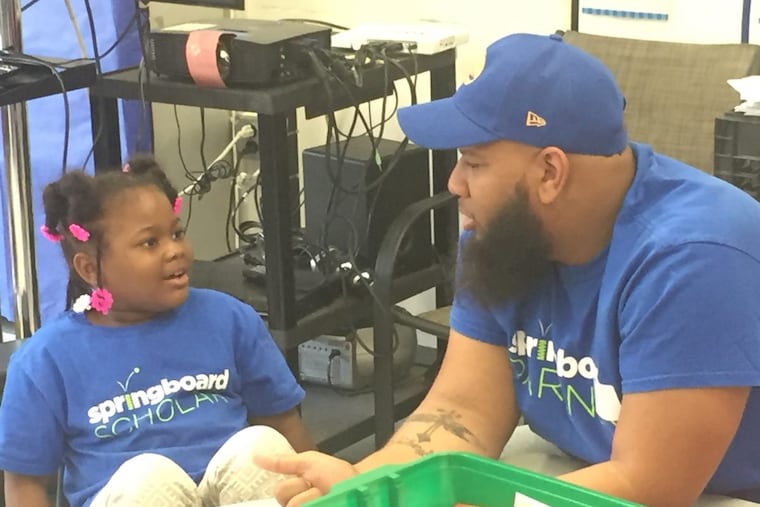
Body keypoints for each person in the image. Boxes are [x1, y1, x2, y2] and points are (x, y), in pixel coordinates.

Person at [255, 32, 760, 507]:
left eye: (473, 163)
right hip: (579, 468)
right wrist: (374, 485)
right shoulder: (505, 233)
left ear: (550, 172)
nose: (455, 183)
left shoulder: (694, 254)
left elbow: (648, 484)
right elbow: (463, 413)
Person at [0, 155, 314, 507]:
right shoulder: (45, 359)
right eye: (150, 243)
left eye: (177, 233)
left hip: (231, 497)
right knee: (148, 477)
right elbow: (24, 484)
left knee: (260, 447)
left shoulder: (229, 319)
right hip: (134, 497)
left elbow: (287, 434)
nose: (175, 250)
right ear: (90, 268)